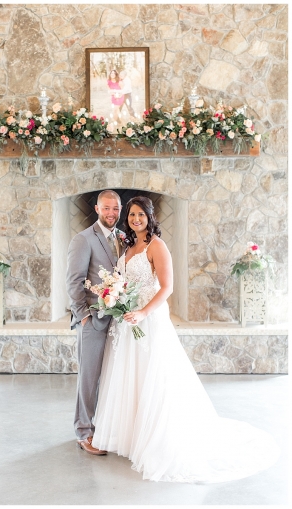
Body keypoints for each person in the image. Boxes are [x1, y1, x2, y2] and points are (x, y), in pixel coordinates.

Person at [92, 196, 280, 482]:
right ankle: (131, 438)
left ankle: (157, 440)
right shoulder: (128, 245)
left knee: (155, 376)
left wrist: (142, 312)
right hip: (128, 320)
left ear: (150, 217)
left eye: (141, 215)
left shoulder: (157, 246)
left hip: (149, 319)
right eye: (131, 215)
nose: (135, 219)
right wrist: (117, 299)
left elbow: (167, 288)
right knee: (130, 376)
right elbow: (124, 281)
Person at [65, 190, 125, 455]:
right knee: (89, 379)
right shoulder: (83, 239)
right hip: (93, 320)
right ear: (97, 208)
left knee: (112, 378)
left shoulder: (123, 238)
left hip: (117, 321)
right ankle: (84, 432)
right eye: (106, 208)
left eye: (116, 209)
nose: (111, 213)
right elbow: (74, 281)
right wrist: (84, 317)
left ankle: (107, 429)